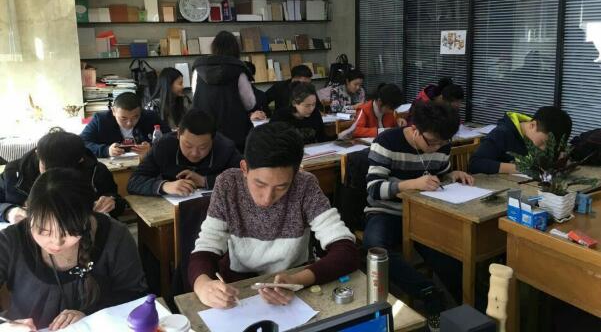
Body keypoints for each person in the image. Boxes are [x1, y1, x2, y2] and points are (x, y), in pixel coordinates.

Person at [188, 122, 358, 309]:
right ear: (244, 168)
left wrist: (297, 281)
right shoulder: (228, 185)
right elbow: (205, 250)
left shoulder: (305, 186)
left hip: (294, 284)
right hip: (238, 290)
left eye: (281, 186)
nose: (267, 198)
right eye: (260, 184)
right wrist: (203, 286)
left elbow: (346, 251)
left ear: (295, 174)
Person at [362, 102, 474, 326]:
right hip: (387, 212)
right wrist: (412, 184)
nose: (436, 148)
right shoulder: (387, 142)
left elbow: (441, 175)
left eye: (443, 143)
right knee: (374, 247)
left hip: (425, 213)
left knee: (450, 256)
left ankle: (475, 313)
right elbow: (374, 189)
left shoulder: (441, 144)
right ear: (415, 129)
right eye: (431, 142)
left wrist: (453, 175)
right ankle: (428, 291)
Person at [0, 168, 147, 330]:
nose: (56, 242)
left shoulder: (115, 236)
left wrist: (91, 316)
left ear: (87, 217)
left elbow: (134, 295)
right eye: (43, 231)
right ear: (28, 211)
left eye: (69, 232)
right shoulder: (9, 241)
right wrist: (5, 326)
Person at [0, 129, 125, 224]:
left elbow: (118, 204)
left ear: (80, 160)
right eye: (46, 169)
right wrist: (8, 212)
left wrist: (112, 202)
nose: (53, 177)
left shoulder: (96, 170)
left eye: (63, 172)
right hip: (29, 234)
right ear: (37, 154)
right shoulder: (14, 172)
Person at [128, 109, 242, 196]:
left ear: (213, 140)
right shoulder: (163, 146)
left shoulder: (225, 148)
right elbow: (134, 182)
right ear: (178, 135)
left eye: (203, 147)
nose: (194, 153)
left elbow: (245, 178)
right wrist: (165, 186)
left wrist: (205, 181)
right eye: (188, 145)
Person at [191, 31, 255, 151]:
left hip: (204, 131)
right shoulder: (239, 70)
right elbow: (249, 103)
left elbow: (196, 97)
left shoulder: (198, 70)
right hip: (234, 132)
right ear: (236, 49)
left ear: (214, 48)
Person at [469, 106, 573, 174]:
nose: (544, 149)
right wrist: (521, 168)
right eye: (542, 143)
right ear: (532, 125)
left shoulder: (543, 133)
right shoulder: (502, 133)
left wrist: (562, 159)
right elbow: (475, 164)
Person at [80, 92, 169, 159]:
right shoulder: (100, 120)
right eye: (123, 118)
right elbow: (82, 143)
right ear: (113, 111)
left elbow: (170, 137)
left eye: (135, 117)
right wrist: (106, 150)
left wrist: (152, 147)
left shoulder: (150, 117)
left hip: (143, 165)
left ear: (141, 111)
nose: (129, 123)